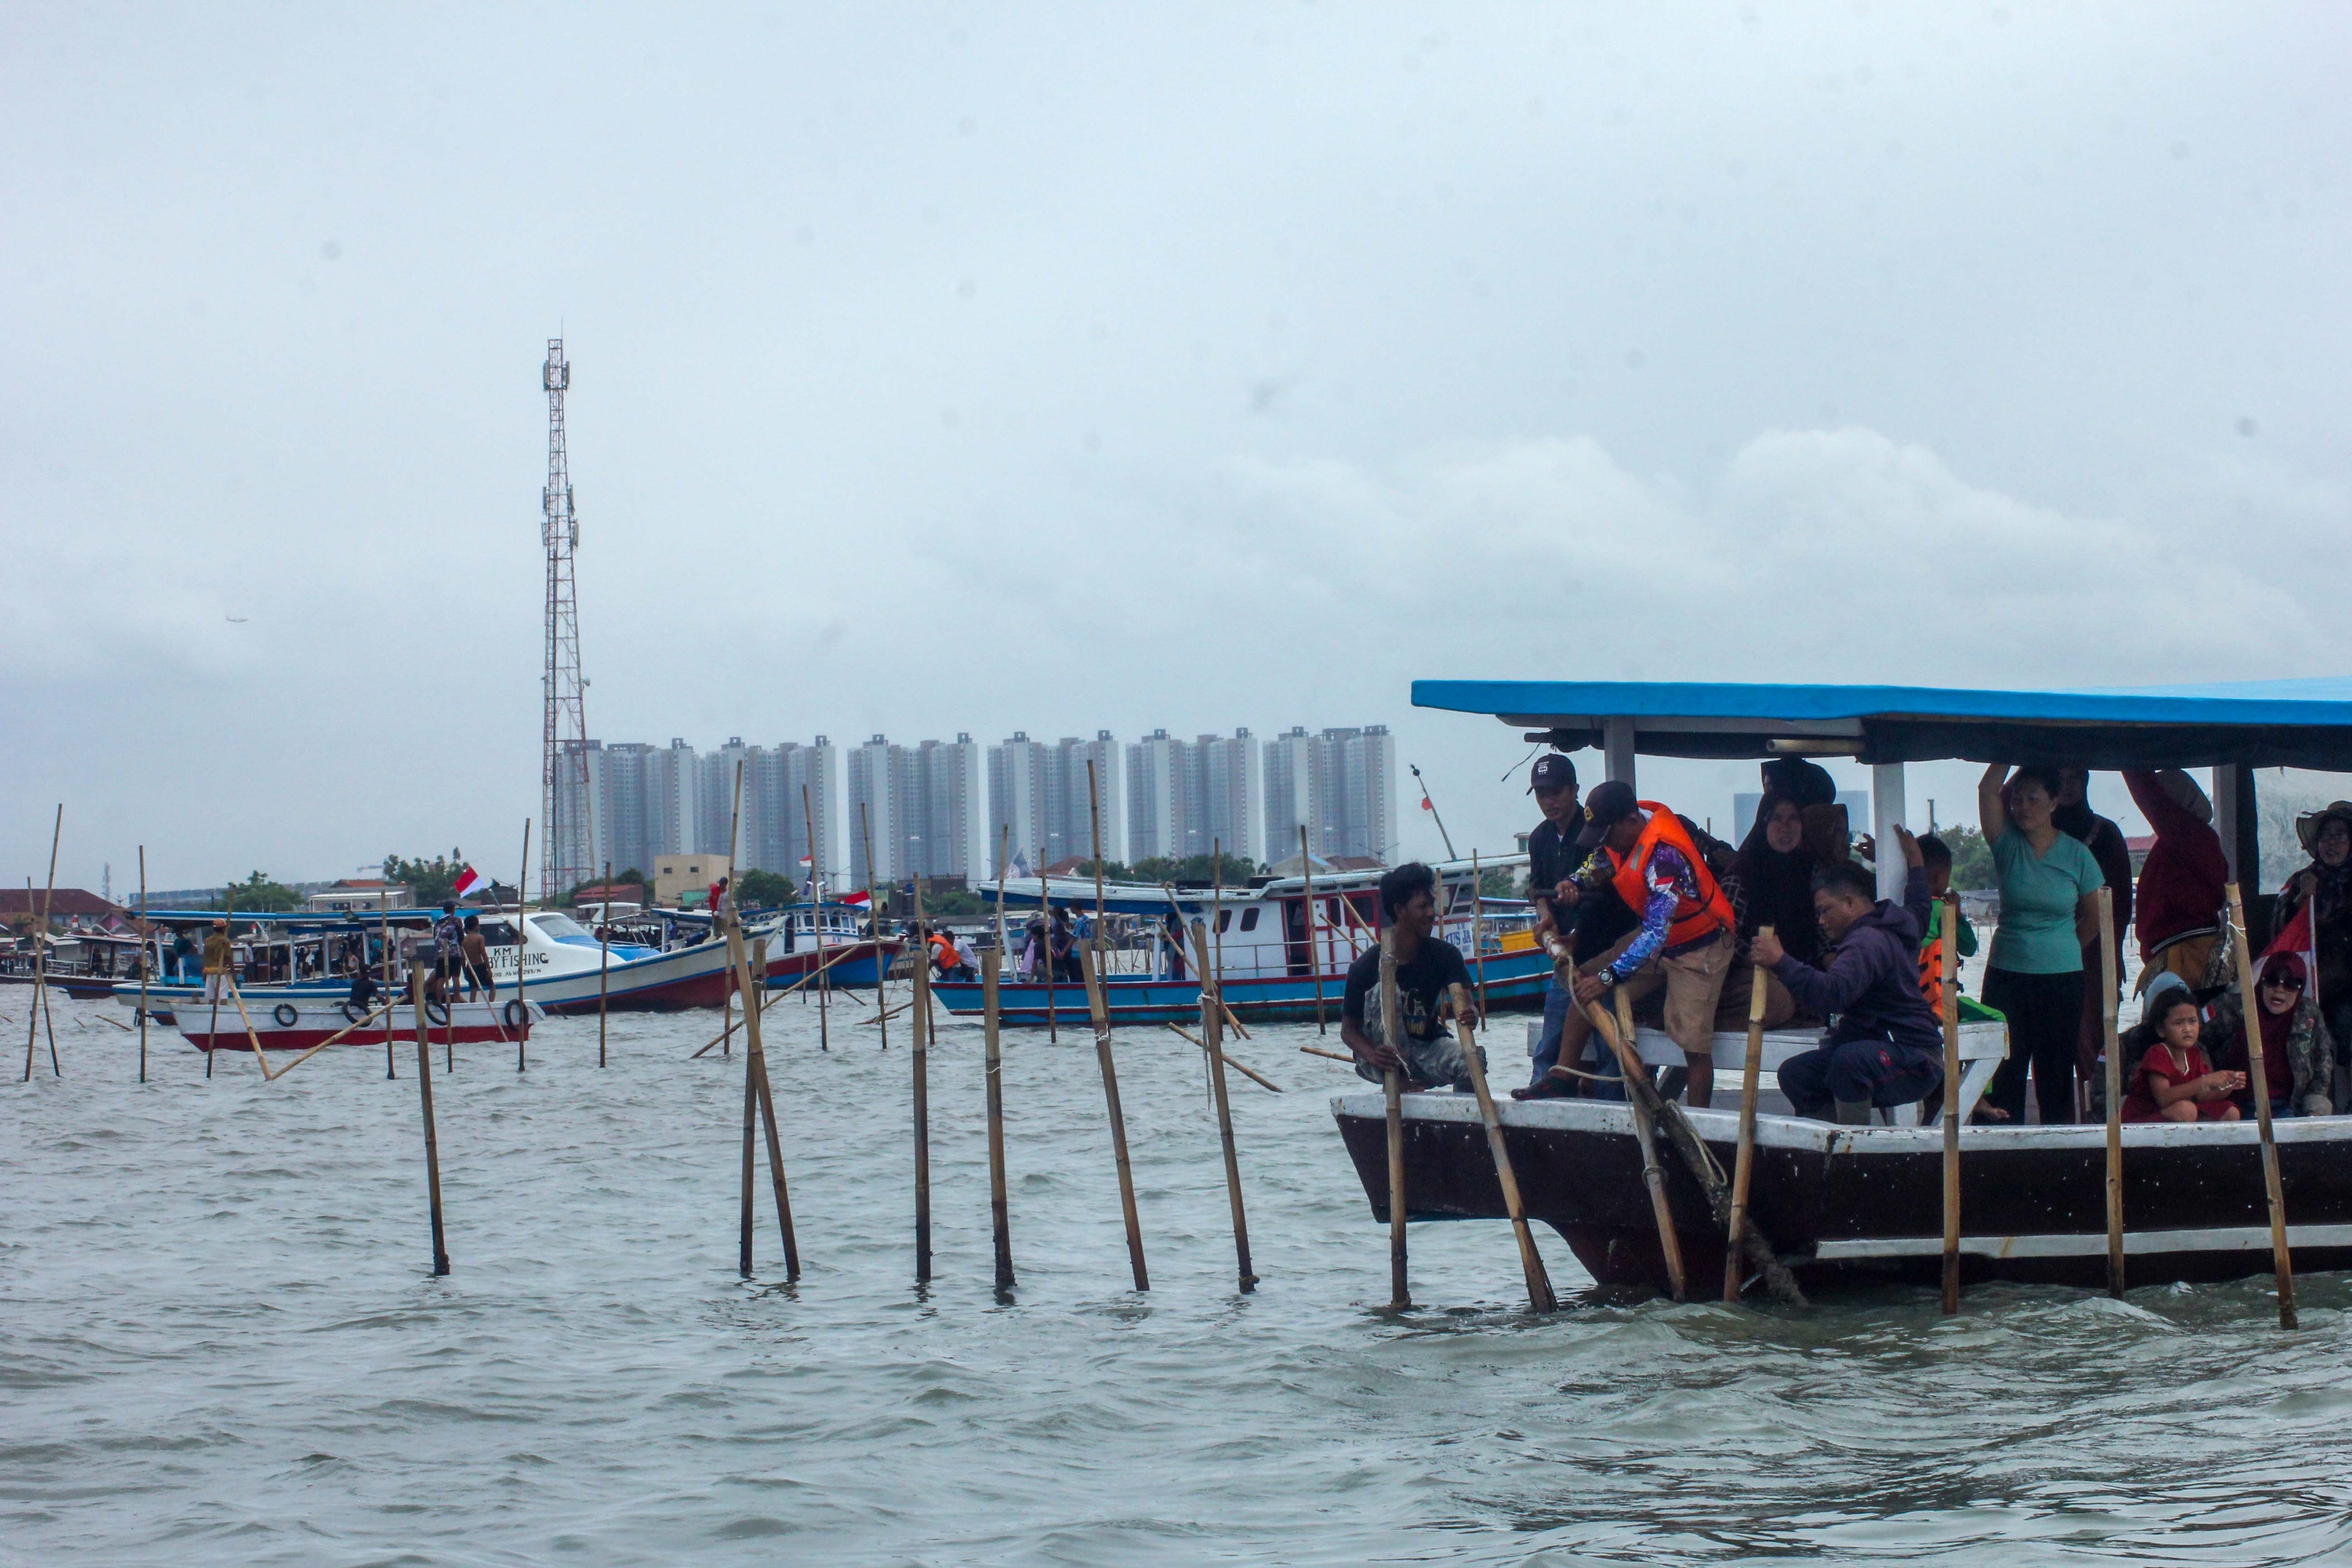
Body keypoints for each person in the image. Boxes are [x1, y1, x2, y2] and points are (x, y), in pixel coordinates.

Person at [1517, 781, 1738, 1106]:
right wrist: (1572, 882)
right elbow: (1598, 865)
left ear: (1632, 820)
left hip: (1699, 945)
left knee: (1694, 1045)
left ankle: (1699, 1122)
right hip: (1661, 938)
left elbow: (1654, 934)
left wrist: (1608, 978)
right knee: (1581, 981)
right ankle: (1563, 1076)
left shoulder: (1665, 857)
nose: (1604, 844)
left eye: (1607, 835)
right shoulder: (1619, 841)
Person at [1755, 832, 1943, 1124]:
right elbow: (1920, 907)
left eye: (1826, 910)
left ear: (1851, 904)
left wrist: (1780, 961)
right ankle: (1824, 1146)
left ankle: (1851, 1150)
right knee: (1796, 1074)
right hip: (1887, 1051)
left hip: (1915, 1058)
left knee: (1850, 1061)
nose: (1820, 921)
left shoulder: (1865, 942)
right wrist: (1916, 864)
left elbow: (1833, 993)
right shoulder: (1898, 921)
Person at [1979, 764, 2107, 1124]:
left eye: (2033, 799)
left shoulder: (2077, 855)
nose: (2022, 807)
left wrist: (2060, 947)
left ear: (2054, 803)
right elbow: (1987, 790)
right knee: (2005, 1067)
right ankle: (2000, 1156)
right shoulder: (2006, 843)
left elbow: (2094, 919)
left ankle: (2057, 1155)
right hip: (2007, 974)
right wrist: (2012, 747)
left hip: (2061, 978)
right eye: (2017, 799)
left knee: (2054, 1072)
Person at [1341, 862, 1480, 1091]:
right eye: (1422, 906)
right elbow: (1349, 1031)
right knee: (1385, 989)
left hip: (1428, 1048)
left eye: (1432, 905)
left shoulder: (1445, 955)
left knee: (1473, 1061)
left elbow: (1468, 1005)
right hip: (1384, 1056)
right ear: (1399, 910)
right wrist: (1373, 1054)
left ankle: (1463, 1115)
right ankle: (1399, 1085)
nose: (1431, 913)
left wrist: (1470, 1014)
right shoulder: (1365, 967)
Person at [2055, 767, 2135, 1107]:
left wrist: (2110, 953)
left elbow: (2119, 906)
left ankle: (2099, 1115)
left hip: (2096, 951)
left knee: (2094, 1037)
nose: (2068, 786)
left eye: (2075, 778)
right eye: (2061, 779)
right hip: (2050, 948)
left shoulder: (2106, 833)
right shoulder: (2038, 831)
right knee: (2057, 1038)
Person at [2122, 769, 2228, 993]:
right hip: (2177, 950)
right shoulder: (2184, 840)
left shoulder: (2189, 834)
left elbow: (2149, 795)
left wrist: (2129, 753)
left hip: (2187, 956)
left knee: (2182, 1024)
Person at [2204, 950, 2335, 1118]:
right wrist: (2209, 1081)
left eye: (2290, 984)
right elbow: (2194, 1042)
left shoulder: (2309, 1013)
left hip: (2291, 1109)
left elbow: (2322, 1064)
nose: (2279, 990)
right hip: (2234, 1109)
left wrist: (2314, 1111)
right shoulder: (2231, 1007)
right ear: (2262, 980)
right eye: (2272, 980)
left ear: (2301, 988)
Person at [1522, 752, 1583, 1085]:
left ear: (1574, 789)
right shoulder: (1539, 838)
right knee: (1550, 1039)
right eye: (1542, 794)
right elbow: (1538, 890)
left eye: (1556, 792)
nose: (1549, 801)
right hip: (1563, 952)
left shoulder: (1592, 832)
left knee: (1608, 1048)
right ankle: (1538, 1096)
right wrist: (1545, 917)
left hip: (1598, 947)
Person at [2272, 801, 2352, 1056]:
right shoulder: (2300, 881)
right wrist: (2302, 901)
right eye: (2326, 837)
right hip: (2308, 982)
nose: (2332, 843)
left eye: (2340, 836)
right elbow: (2278, 932)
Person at [2119, 985, 2241, 1123]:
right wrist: (2205, 1081)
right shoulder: (2157, 1053)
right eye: (2178, 1023)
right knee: (2186, 1110)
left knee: (2230, 1112)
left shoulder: (2195, 1053)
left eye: (2192, 1021)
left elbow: (2200, 1096)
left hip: (2182, 1113)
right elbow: (2163, 1099)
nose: (2187, 1029)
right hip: (2145, 1120)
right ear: (2161, 1030)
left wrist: (2226, 1086)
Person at [1913, 834, 1978, 1016]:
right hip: (1935, 1003)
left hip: (1910, 998)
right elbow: (1969, 947)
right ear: (1938, 877)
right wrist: (1957, 914)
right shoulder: (1942, 910)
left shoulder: (1906, 907)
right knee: (1998, 1017)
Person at [461, 914, 494, 1002]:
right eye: (478, 925)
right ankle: (491, 1004)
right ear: (475, 926)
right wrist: (489, 969)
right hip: (480, 966)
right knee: (492, 987)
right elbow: (483, 954)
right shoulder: (480, 938)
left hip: (470, 968)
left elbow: (462, 959)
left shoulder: (464, 940)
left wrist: (464, 971)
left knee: (473, 990)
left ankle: (473, 1006)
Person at [200, 919, 233, 1003]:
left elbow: (205, 958)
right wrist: (233, 972)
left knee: (212, 998)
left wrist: (204, 973)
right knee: (223, 997)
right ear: (223, 929)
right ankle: (223, 1012)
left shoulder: (208, 941)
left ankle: (212, 1012)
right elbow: (228, 957)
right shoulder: (225, 941)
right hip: (220, 971)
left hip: (209, 971)